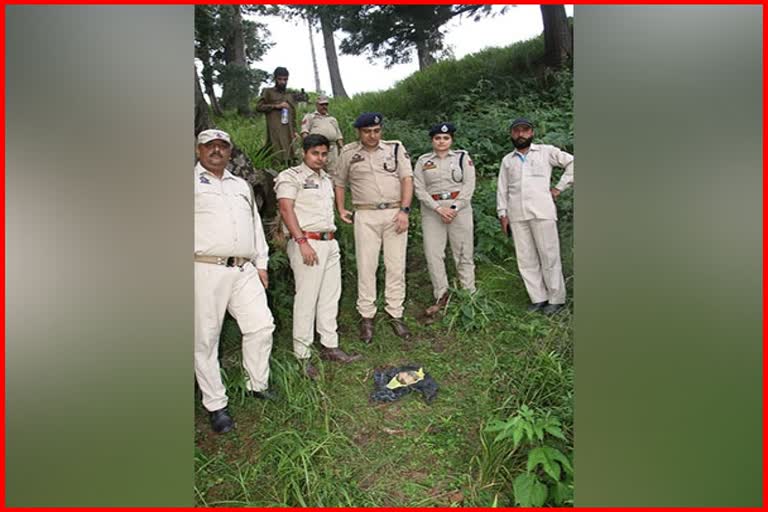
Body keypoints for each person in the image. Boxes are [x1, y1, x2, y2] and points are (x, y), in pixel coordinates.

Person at [194, 129, 276, 435]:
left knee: (261, 325)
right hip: (204, 269)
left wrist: (262, 264)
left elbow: (255, 227)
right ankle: (216, 405)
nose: (216, 150)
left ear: (229, 151)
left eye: (222, 146)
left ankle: (257, 384)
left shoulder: (240, 185)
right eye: (209, 146)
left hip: (245, 269)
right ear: (198, 149)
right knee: (205, 340)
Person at [274, 134, 362, 380]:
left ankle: (329, 345)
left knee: (330, 297)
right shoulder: (291, 176)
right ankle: (302, 356)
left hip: (329, 242)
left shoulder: (326, 179)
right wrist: (302, 242)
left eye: (324, 154)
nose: (320, 158)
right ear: (304, 153)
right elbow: (285, 208)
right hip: (307, 243)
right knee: (306, 300)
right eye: (315, 153)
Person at [333, 113, 414, 343]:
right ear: (359, 132)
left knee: (395, 266)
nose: (372, 135)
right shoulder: (349, 153)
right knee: (367, 267)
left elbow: (407, 180)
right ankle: (367, 316)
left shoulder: (395, 149)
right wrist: (340, 209)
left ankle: (395, 313)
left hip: (394, 213)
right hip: (365, 214)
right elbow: (339, 182)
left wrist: (405, 211)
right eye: (367, 131)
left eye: (376, 131)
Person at [496, 118, 574, 315]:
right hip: (516, 214)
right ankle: (538, 298)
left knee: (549, 255)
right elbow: (502, 189)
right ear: (511, 134)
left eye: (525, 131)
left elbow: (572, 162)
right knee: (525, 258)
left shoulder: (546, 151)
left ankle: (556, 299)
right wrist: (502, 213)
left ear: (531, 133)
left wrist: (558, 188)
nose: (521, 134)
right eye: (516, 131)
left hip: (542, 211)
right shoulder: (508, 160)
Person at [413, 122, 477, 317]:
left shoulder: (462, 158)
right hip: (433, 211)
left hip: (460, 209)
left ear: (452, 140)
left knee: (464, 252)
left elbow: (469, 184)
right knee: (434, 254)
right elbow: (419, 188)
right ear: (432, 140)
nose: (441, 141)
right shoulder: (423, 161)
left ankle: (469, 296)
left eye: (446, 138)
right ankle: (442, 296)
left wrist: (454, 207)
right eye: (438, 138)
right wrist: (438, 208)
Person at [256, 66, 298, 166]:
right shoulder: (268, 92)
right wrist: (276, 106)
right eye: (280, 79)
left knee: (290, 154)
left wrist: (295, 130)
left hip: (289, 130)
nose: (282, 82)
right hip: (275, 130)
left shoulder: (289, 95)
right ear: (275, 79)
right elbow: (259, 107)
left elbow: (293, 114)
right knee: (276, 152)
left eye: (285, 79)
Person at [300, 95, 344, 172]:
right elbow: (304, 132)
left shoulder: (332, 119)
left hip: (332, 149)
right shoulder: (310, 117)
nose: (324, 106)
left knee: (333, 171)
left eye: (326, 104)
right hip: (316, 148)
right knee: (316, 169)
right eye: (322, 104)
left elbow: (338, 135)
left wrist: (342, 148)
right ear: (317, 105)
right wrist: (307, 147)